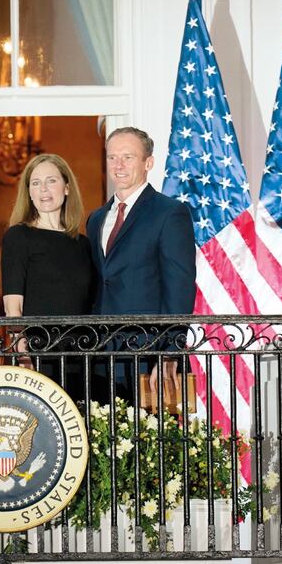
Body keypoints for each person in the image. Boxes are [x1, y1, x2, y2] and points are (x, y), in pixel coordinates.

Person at [86, 126, 196, 401]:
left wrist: (170, 352)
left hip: (150, 357)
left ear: (148, 163)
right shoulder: (96, 218)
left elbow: (179, 287)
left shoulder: (170, 213)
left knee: (154, 442)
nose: (118, 165)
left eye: (128, 157)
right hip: (103, 356)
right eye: (112, 157)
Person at [1, 153, 95, 402]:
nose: (43, 189)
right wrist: (22, 354)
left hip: (79, 354)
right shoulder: (18, 236)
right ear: (28, 193)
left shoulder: (83, 244)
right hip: (35, 354)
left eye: (50, 181)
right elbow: (13, 305)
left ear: (66, 188)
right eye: (35, 183)